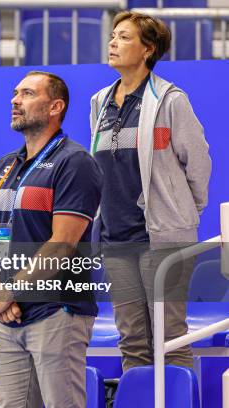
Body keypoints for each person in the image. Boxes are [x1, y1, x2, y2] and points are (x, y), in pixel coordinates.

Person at [90, 11, 211, 371]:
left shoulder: (172, 100)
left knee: (170, 340)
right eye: (113, 35)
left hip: (163, 238)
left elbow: (199, 165)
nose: (113, 42)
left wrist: (183, 213)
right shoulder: (98, 102)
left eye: (124, 37)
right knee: (133, 343)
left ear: (148, 50)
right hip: (115, 240)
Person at [0, 71, 103, 408]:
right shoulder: (6, 166)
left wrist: (8, 291)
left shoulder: (74, 163)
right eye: (15, 93)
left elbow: (63, 242)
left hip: (56, 311)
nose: (15, 100)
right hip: (10, 314)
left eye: (28, 94)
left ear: (55, 106)